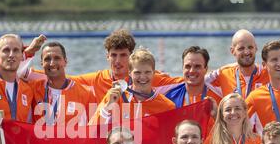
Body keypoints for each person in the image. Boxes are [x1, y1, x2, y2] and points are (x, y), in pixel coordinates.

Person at [23, 29, 182, 103]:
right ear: (107, 56)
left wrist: (208, 76)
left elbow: (187, 81)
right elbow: (61, 78)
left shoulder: (146, 78)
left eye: (123, 55)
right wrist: (27, 61)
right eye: (113, 55)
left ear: (131, 56)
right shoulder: (96, 80)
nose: (117, 61)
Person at [206, 29, 280, 98]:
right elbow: (198, 79)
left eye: (250, 47)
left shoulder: (270, 72)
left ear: (256, 48)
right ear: (232, 51)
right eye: (241, 48)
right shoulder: (223, 74)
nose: (247, 52)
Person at [89, 48, 175, 125]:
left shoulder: (167, 106)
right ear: (129, 73)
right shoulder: (115, 97)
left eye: (147, 72)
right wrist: (108, 107)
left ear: (154, 73)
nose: (142, 77)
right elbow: (91, 130)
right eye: (137, 72)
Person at [31, 41, 96, 126]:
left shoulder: (87, 93)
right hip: (41, 138)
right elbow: (15, 72)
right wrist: (29, 51)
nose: (52, 63)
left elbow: (95, 129)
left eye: (57, 58)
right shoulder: (33, 89)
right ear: (42, 63)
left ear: (65, 61)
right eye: (47, 59)